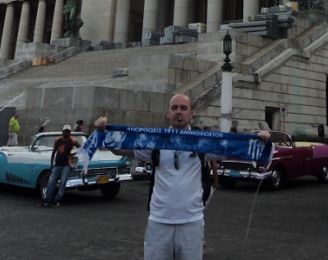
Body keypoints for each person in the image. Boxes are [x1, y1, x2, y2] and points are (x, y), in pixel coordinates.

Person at [95, 93, 270, 260]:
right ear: (168, 113)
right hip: (159, 222)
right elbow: (119, 148)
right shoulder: (154, 141)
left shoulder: (203, 142)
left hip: (191, 223)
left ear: (191, 114)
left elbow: (237, 147)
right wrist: (104, 131)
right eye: (175, 108)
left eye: (184, 108)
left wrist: (261, 141)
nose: (179, 112)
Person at [39, 125, 82, 208]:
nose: (66, 133)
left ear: (70, 132)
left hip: (66, 164)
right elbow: (54, 151)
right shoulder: (57, 140)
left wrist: (73, 154)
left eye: (68, 132)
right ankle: (47, 200)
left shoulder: (72, 140)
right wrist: (51, 164)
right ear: (62, 132)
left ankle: (57, 200)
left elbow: (81, 147)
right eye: (65, 131)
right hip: (57, 164)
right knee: (51, 182)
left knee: (63, 183)